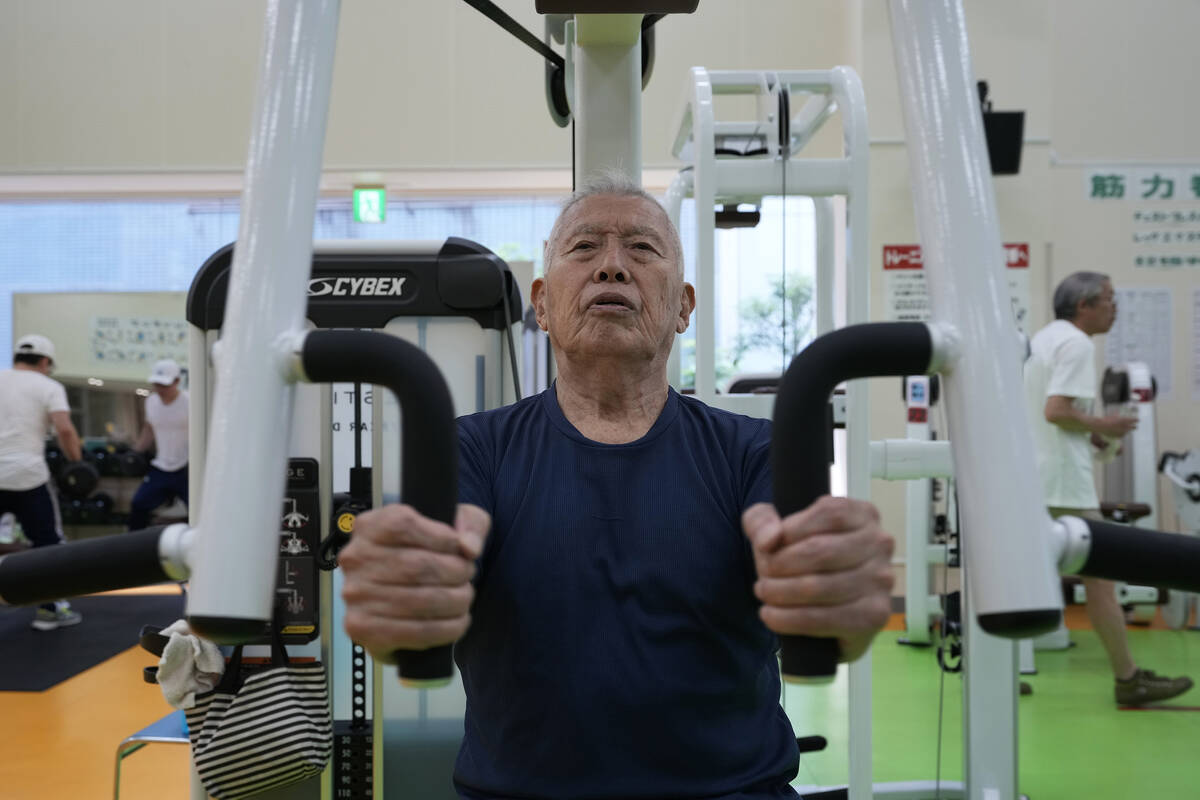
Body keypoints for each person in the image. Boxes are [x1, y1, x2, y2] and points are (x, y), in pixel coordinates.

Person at [338, 175, 895, 799]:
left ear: (683, 307)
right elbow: (412, 602)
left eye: (641, 249)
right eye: (584, 249)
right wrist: (394, 605)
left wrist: (839, 598)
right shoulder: (472, 449)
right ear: (542, 305)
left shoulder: (753, 452)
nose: (611, 267)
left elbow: (820, 600)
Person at [1024, 271, 1192, 706]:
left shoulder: (1045, 339)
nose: (1115, 307)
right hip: (1062, 481)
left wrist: (1092, 435)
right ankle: (1129, 680)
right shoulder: (1077, 344)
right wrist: (1106, 424)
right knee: (1101, 578)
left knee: (1019, 572)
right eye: (1110, 299)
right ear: (1085, 306)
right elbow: (1055, 409)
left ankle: (991, 672)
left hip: (1038, 475)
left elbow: (1053, 414)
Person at [0, 334, 84, 630]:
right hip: (28, 477)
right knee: (47, 544)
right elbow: (64, 430)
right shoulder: (49, 386)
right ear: (46, 361)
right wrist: (77, 462)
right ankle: (50, 610)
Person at [128, 358, 189, 531]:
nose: (160, 389)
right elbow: (149, 428)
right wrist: (136, 451)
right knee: (139, 504)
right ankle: (133, 547)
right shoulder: (151, 401)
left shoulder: (189, 402)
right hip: (161, 466)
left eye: (164, 385)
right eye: (157, 384)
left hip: (187, 468)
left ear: (177, 381)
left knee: (199, 509)